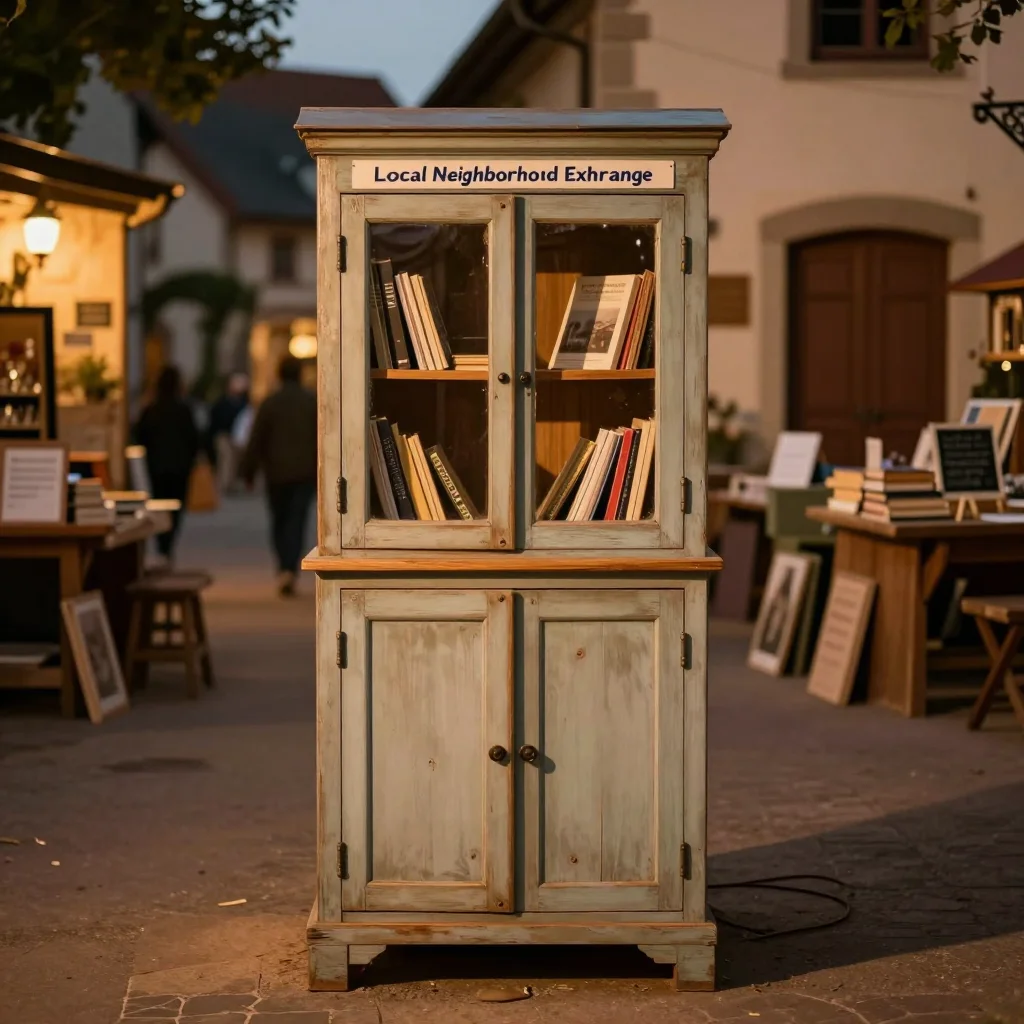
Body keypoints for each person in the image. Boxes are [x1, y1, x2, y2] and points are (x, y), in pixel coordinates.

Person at [239, 354, 317, 596]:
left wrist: (248, 471)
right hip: (305, 472)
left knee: (279, 520)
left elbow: (257, 438)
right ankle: (290, 569)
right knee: (297, 520)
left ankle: (283, 565)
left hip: (276, 473)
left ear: (280, 375)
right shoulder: (311, 402)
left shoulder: (270, 402)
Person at [133, 365, 200, 564]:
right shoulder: (184, 410)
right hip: (180, 468)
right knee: (176, 508)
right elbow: (194, 438)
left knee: (159, 505)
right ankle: (168, 544)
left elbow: (139, 435)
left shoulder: (151, 409)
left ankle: (163, 544)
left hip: (156, 467)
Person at [207, 372, 250, 495]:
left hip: (236, 436)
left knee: (233, 461)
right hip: (224, 435)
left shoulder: (242, 403)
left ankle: (230, 484)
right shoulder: (223, 402)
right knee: (226, 459)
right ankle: (224, 485)